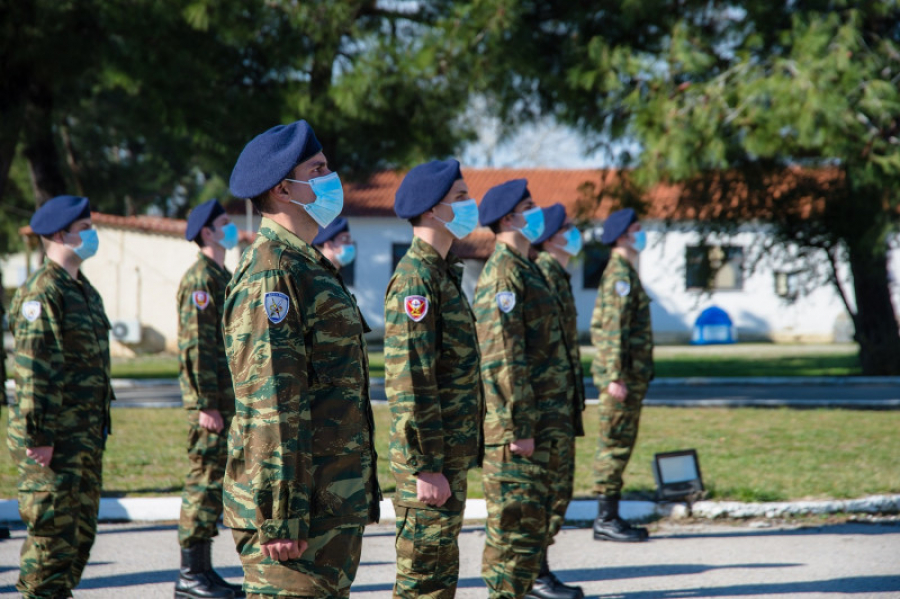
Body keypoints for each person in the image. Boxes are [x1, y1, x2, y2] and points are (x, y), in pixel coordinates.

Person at [223, 119, 381, 599]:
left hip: (327, 503)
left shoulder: (306, 265)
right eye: (318, 169)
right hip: (296, 517)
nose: (331, 178)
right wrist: (281, 516)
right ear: (284, 189)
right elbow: (272, 406)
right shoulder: (272, 274)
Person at [384, 159, 484, 598]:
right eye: (461, 198)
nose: (471, 205)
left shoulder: (442, 274)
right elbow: (411, 382)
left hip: (448, 458)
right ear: (430, 209)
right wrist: (425, 466)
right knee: (422, 583)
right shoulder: (416, 281)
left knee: (440, 580)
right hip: (430, 466)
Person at [7, 195, 114, 598]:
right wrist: (40, 436)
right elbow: (34, 373)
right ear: (58, 234)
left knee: (77, 538)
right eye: (85, 227)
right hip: (52, 441)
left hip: (83, 437)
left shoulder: (82, 289)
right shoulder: (42, 293)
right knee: (51, 540)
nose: (92, 234)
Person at [473, 180, 575, 599]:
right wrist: (518, 428)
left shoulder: (526, 268)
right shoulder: (503, 275)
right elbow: (502, 359)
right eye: (529, 207)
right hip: (520, 431)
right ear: (509, 218)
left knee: (530, 534)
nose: (538, 214)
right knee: (512, 542)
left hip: (543, 422)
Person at [175, 199, 244, 599]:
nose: (231, 228)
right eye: (224, 223)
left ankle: (203, 570)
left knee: (215, 483)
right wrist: (205, 404)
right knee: (202, 483)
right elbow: (196, 346)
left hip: (226, 402)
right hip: (213, 406)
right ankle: (189, 575)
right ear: (207, 232)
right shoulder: (201, 280)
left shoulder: (221, 275)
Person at [530, 203, 587, 598]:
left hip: (561, 400)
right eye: (568, 228)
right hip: (548, 404)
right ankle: (536, 573)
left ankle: (540, 569)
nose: (575, 232)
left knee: (558, 491)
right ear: (550, 238)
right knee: (548, 491)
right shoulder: (545, 276)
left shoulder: (558, 276)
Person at [590, 207, 653, 543]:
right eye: (638, 229)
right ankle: (606, 519)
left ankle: (609, 516)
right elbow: (612, 329)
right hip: (621, 379)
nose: (642, 234)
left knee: (620, 444)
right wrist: (615, 375)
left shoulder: (625, 272)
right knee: (612, 446)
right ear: (623, 235)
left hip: (629, 376)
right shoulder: (620, 277)